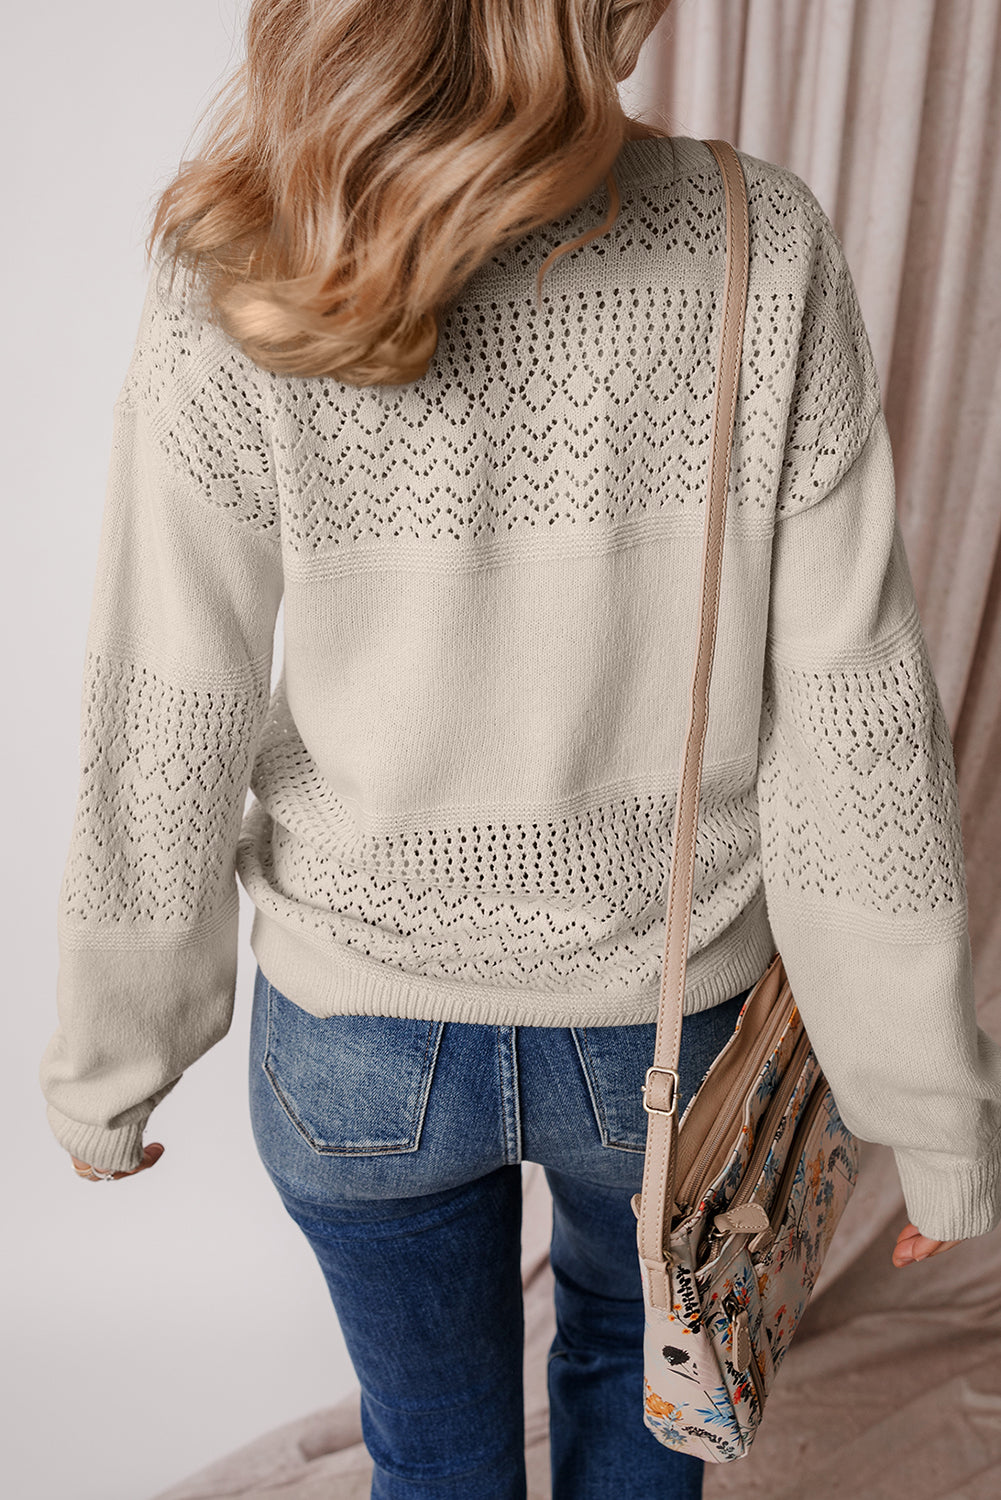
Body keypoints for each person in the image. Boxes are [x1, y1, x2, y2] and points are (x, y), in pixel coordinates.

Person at [42, 1, 1000, 1496]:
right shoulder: (757, 243)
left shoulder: (241, 252)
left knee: (431, 1460)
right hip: (664, 1028)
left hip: (353, 1040)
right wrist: (929, 1110)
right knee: (638, 1402)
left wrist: (113, 1061)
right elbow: (852, 718)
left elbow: (167, 701)